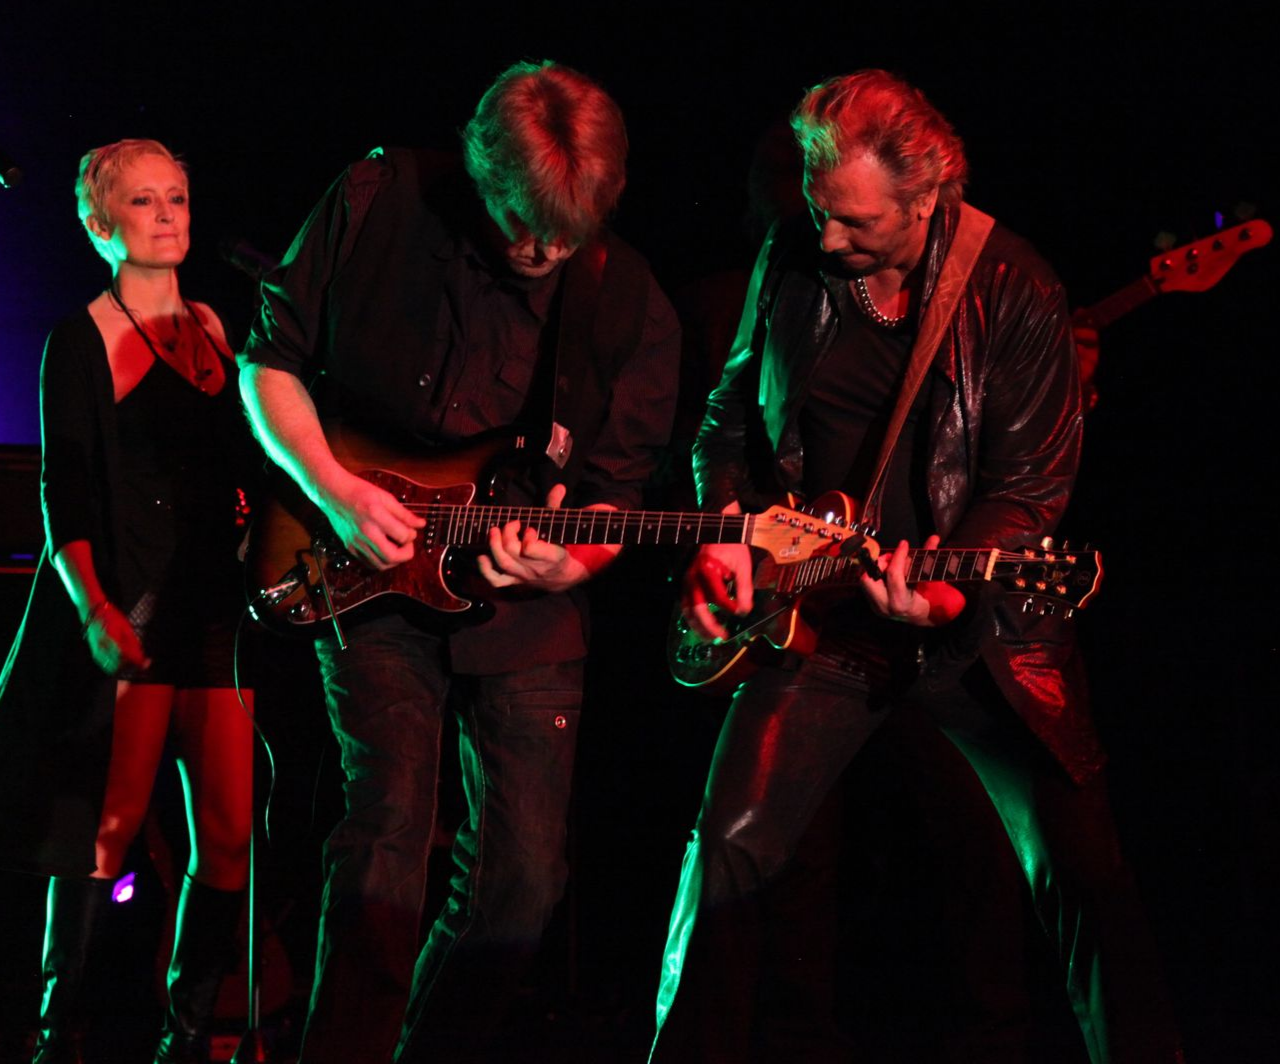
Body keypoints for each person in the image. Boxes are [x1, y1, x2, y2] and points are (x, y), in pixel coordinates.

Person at [649, 70, 1182, 1063]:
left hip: (978, 633)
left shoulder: (1015, 285)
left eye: (851, 221)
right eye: (816, 211)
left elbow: (1027, 488)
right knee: (723, 849)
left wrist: (943, 592)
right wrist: (725, 530)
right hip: (818, 614)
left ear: (926, 197)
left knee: (1085, 878)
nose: (827, 238)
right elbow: (727, 420)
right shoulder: (791, 256)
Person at [238, 60, 679, 1063]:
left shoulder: (628, 300)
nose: (544, 248)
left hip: (525, 607)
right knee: (384, 841)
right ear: (481, 171)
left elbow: (617, 492)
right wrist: (336, 490)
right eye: (524, 220)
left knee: (521, 884)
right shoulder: (376, 194)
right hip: (363, 562)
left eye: (568, 229)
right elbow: (266, 358)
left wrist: (574, 566)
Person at [0, 139, 256, 1063]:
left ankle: (187, 1033)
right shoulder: (82, 338)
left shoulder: (219, 329)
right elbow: (60, 494)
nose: (168, 215)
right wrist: (95, 609)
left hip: (216, 610)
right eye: (144, 202)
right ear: (101, 227)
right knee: (103, 840)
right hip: (135, 609)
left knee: (228, 834)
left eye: (178, 197)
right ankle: (60, 1027)